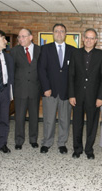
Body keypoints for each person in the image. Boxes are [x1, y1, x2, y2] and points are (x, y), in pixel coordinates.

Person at [69, 28, 102, 159]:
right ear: (83, 39)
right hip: (77, 96)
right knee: (77, 124)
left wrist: (101, 97)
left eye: (92, 38)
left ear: (96, 40)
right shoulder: (75, 53)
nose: (89, 40)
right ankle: (77, 149)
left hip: (94, 97)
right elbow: (71, 75)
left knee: (92, 124)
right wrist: (71, 95)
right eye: (87, 37)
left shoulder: (101, 55)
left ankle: (89, 149)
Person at [38, 23, 75, 154]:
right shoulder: (45, 49)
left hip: (66, 92)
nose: (59, 33)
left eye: (62, 31)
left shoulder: (73, 50)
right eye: (57, 31)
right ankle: (47, 143)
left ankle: (62, 143)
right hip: (50, 91)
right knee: (49, 119)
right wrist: (46, 87)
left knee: (65, 120)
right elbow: (41, 70)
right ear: (53, 33)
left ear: (65, 34)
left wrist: (72, 92)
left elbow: (74, 73)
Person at [10, 29, 41, 150]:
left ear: (31, 37)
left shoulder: (40, 50)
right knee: (19, 117)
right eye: (19, 37)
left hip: (35, 89)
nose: (20, 39)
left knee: (34, 116)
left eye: (23, 36)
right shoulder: (14, 51)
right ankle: (19, 140)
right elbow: (11, 71)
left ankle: (33, 139)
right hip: (20, 89)